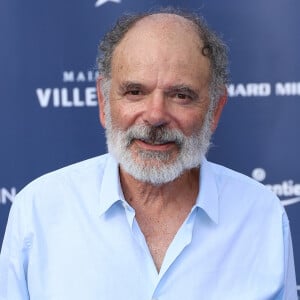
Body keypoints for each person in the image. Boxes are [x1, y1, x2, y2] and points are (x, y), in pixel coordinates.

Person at [0, 8, 297, 300]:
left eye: (181, 95)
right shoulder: (38, 211)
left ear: (214, 110)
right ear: (104, 102)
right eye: (134, 92)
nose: (155, 115)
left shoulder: (262, 216)